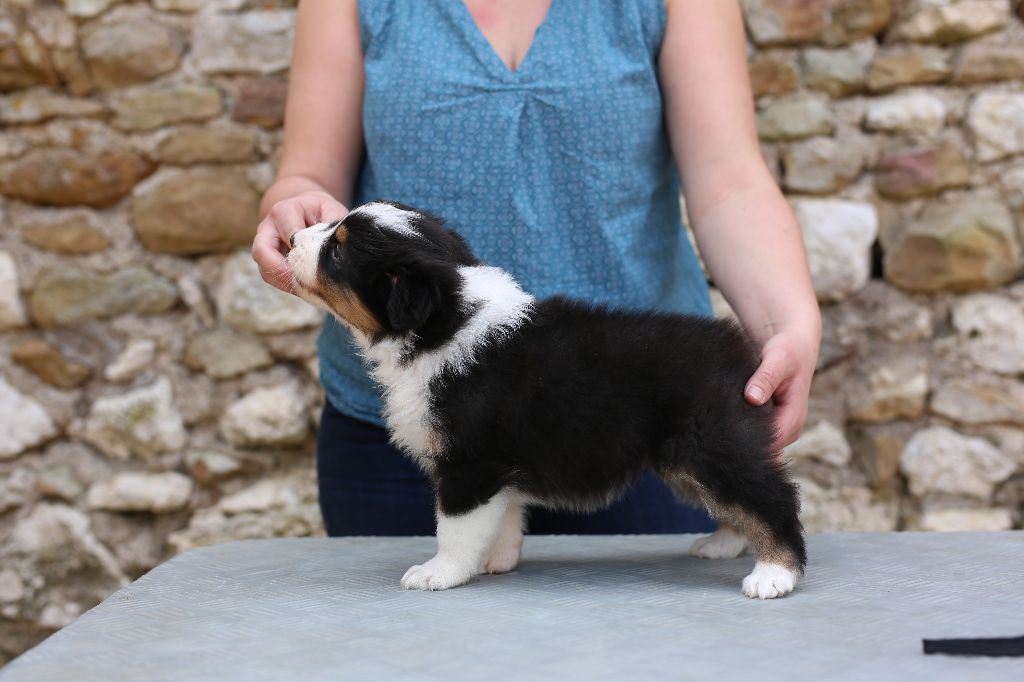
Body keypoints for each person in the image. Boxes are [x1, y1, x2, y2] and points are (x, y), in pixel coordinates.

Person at [251, 0, 821, 536]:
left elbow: (729, 180)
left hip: (634, 412)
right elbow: (308, 172)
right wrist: (296, 208)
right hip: (405, 430)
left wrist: (785, 325)